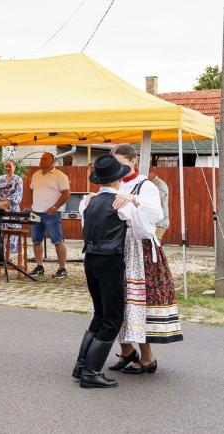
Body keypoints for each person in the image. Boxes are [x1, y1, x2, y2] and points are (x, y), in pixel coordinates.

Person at [107, 144, 182, 375]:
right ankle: (127, 351)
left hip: (139, 249)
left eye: (121, 164)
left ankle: (148, 357)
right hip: (117, 246)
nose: (118, 169)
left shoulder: (145, 185)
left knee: (138, 302)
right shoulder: (112, 183)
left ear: (133, 162)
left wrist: (134, 200)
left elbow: (154, 215)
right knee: (118, 301)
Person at [72, 154, 140, 389]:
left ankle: (82, 365)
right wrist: (134, 200)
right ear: (119, 179)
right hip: (110, 261)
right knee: (112, 318)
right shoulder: (120, 203)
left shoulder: (88, 202)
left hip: (90, 259)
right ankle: (90, 372)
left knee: (99, 314)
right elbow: (141, 228)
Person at [26, 152, 70, 278]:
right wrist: (31, 205)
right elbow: (31, 190)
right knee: (36, 241)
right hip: (35, 212)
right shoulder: (35, 175)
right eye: (41, 159)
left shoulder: (60, 176)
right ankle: (39, 266)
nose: (41, 161)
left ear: (52, 162)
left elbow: (66, 194)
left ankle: (62, 269)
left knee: (57, 241)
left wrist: (55, 207)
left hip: (52, 213)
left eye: (45, 159)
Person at [0, 159, 23, 258]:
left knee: (11, 232)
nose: (8, 168)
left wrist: (5, 203)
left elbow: (18, 195)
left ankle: (7, 257)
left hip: (12, 210)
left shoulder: (18, 179)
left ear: (14, 167)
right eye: (6, 166)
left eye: (10, 166)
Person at [148, 170, 169, 240]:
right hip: (154, 221)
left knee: (155, 244)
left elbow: (157, 201)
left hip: (160, 222)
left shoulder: (160, 184)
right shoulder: (150, 183)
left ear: (152, 173)